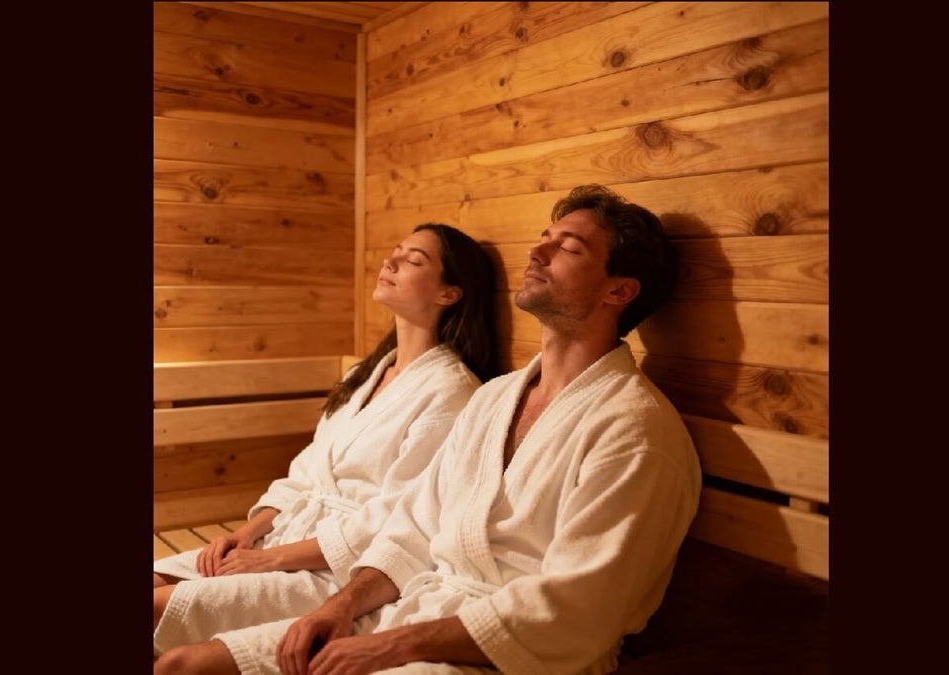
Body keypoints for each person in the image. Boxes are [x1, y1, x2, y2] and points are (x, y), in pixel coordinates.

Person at [152, 184, 701, 675]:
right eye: (543, 238)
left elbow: (576, 609)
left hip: (516, 654)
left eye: (569, 248)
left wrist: (389, 647)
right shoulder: (495, 398)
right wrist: (337, 608)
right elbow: (413, 528)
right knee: (183, 666)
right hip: (419, 606)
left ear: (619, 291)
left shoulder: (635, 430)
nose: (537, 253)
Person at [153, 224, 500, 644]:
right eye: (395, 250)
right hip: (283, 538)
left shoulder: (452, 392)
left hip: (340, 567)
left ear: (449, 294)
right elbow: (306, 471)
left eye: (413, 260)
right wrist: (248, 532)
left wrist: (271, 560)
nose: (390, 262)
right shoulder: (364, 375)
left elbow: (398, 517)